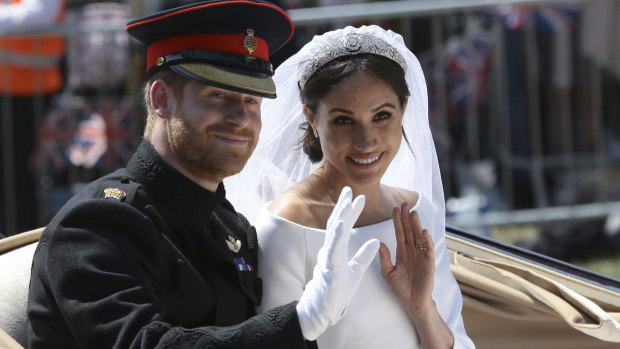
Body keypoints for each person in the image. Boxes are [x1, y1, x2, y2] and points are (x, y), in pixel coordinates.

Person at [27, 2, 381, 348]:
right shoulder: (97, 225)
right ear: (162, 99)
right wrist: (302, 320)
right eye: (218, 95)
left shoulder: (232, 226)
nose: (240, 118)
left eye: (252, 101)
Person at [224, 25, 475, 348]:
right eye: (344, 120)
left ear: (404, 110)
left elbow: (458, 340)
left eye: (382, 115)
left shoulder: (416, 211)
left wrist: (422, 308)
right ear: (312, 119)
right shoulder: (285, 226)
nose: (366, 140)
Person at [0, 0, 66, 236]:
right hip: (11, 89)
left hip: (29, 90)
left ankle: (21, 235)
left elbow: (39, 14)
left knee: (17, 170)